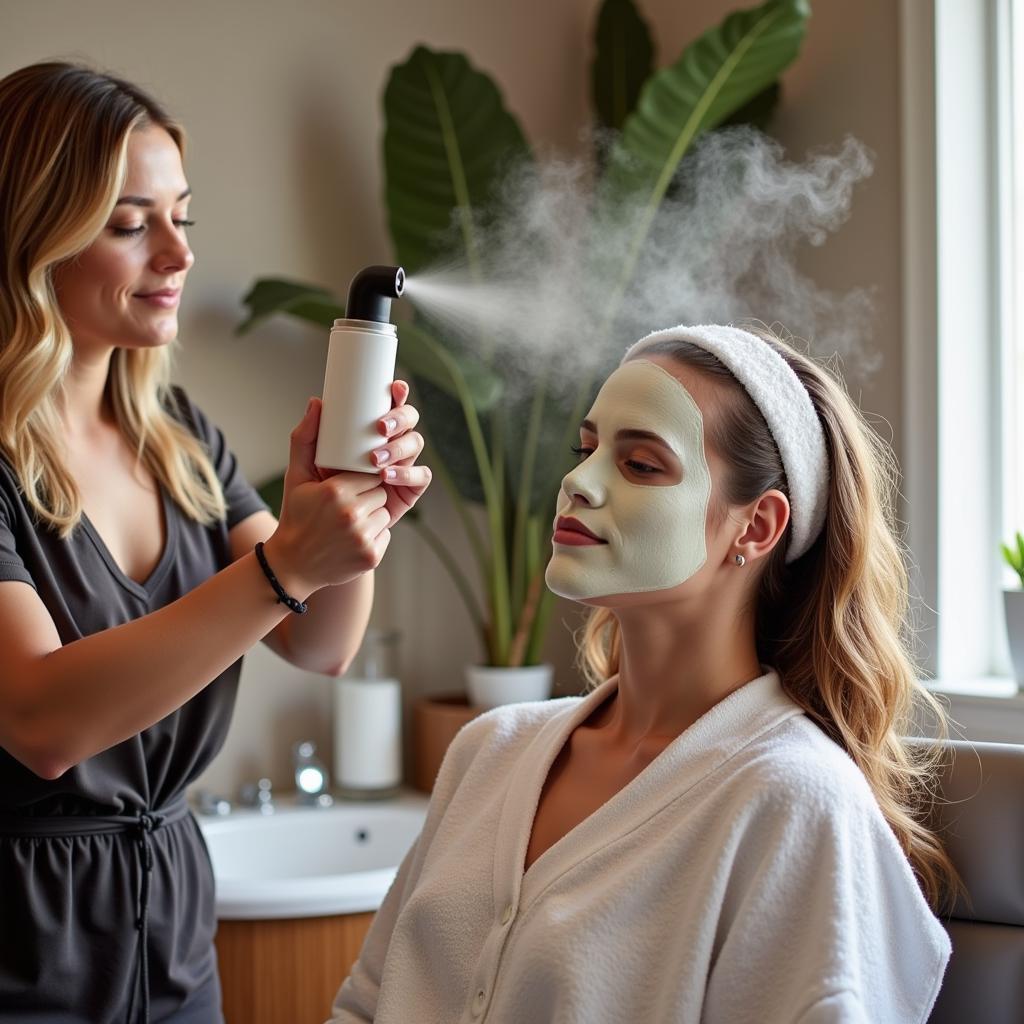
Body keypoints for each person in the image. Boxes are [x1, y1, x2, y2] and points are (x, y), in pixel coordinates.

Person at [330, 323, 956, 1023]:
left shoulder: (794, 801)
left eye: (642, 465)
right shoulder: (489, 750)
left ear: (755, 527)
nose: (577, 482)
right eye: (587, 449)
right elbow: (364, 1007)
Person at [0, 62, 431, 1022]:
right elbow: (40, 723)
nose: (177, 254)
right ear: (34, 235)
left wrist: (346, 506)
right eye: (129, 223)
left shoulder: (180, 440)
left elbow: (320, 643)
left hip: (174, 943)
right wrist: (286, 566)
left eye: (181, 218)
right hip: (28, 951)